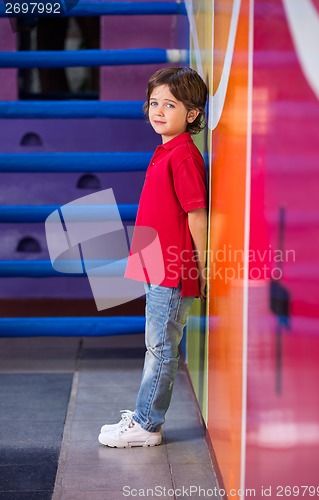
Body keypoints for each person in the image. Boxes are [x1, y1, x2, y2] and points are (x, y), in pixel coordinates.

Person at [98, 67, 208, 448]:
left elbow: (196, 213)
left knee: (161, 347)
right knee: (156, 344)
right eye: (154, 102)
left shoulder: (183, 156)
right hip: (157, 265)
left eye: (170, 104)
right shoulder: (166, 149)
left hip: (173, 270)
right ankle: (145, 417)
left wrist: (202, 264)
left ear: (192, 114)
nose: (158, 111)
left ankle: (148, 424)